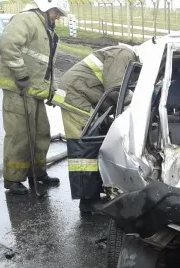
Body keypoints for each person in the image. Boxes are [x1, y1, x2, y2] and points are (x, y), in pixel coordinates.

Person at [51, 44, 140, 214]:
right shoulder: (124, 55)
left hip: (84, 96)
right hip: (76, 96)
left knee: (95, 141)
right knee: (85, 145)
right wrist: (136, 101)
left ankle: (94, 193)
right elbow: (115, 90)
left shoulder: (127, 57)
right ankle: (88, 201)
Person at [0, 0, 68, 195]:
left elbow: (46, 66)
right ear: (46, 6)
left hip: (34, 91)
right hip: (17, 89)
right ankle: (13, 179)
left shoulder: (47, 29)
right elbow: (7, 45)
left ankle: (37, 173)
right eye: (56, 12)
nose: (58, 16)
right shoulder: (26, 19)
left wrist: (51, 91)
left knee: (41, 133)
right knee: (20, 135)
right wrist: (21, 74)